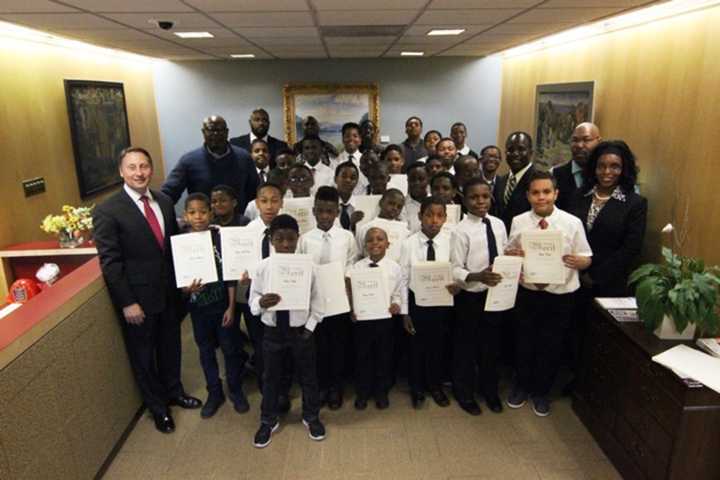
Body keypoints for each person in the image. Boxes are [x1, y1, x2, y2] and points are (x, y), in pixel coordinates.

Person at [93, 147, 201, 434]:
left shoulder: (164, 201)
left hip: (170, 294)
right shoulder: (107, 210)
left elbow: (174, 249)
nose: (139, 173)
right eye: (132, 167)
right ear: (121, 172)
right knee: (143, 356)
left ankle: (175, 391)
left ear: (151, 169)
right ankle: (158, 408)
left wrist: (187, 281)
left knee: (172, 346)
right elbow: (111, 262)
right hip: (138, 300)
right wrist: (127, 302)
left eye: (144, 166)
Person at [505, 171, 592, 417]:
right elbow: (510, 251)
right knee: (524, 341)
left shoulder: (571, 223)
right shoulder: (519, 221)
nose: (541, 197)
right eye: (535, 192)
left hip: (560, 295)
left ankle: (541, 391)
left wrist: (580, 261)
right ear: (528, 195)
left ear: (556, 194)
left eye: (546, 192)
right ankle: (521, 385)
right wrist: (514, 258)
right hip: (529, 294)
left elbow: (587, 256)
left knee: (551, 345)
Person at [250, 214, 325, 448]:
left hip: (301, 332)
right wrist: (262, 303)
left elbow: (319, 303)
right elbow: (253, 302)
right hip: (273, 333)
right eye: (279, 239)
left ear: (298, 239)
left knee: (309, 377)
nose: (285, 245)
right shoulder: (262, 267)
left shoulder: (309, 266)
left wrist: (309, 329)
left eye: (290, 239)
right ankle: (267, 420)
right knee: (270, 378)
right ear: (271, 239)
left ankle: (311, 416)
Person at [180, 193, 249, 418]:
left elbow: (229, 275)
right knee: (206, 350)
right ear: (185, 216)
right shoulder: (181, 242)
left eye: (202, 211)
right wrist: (187, 290)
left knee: (230, 349)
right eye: (192, 212)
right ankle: (214, 391)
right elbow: (179, 280)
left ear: (211, 213)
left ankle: (236, 390)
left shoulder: (219, 238)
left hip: (222, 306)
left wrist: (231, 307)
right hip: (199, 309)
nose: (198, 217)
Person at [450, 178, 507, 415]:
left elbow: (503, 254)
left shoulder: (499, 224)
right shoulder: (460, 231)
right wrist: (477, 276)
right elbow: (454, 268)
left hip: (496, 296)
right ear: (464, 200)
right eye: (474, 197)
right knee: (467, 348)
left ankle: (490, 391)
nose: (480, 201)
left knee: (491, 347)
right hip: (470, 298)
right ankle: (464, 393)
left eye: (485, 196)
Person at [298, 186, 357, 410]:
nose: (325, 216)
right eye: (320, 211)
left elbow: (352, 263)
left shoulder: (346, 237)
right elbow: (301, 267)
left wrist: (344, 279)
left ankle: (336, 387)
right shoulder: (305, 239)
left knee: (338, 346)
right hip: (313, 302)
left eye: (329, 211)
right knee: (317, 346)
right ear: (313, 211)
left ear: (336, 212)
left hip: (338, 300)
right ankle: (321, 386)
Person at [401, 196, 459, 409]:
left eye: (439, 216)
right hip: (417, 304)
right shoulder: (408, 243)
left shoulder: (451, 240)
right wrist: (405, 312)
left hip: (442, 303)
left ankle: (435, 385)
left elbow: (456, 268)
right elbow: (404, 278)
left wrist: (457, 284)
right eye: (429, 215)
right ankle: (416, 388)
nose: (434, 220)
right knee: (417, 347)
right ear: (420, 216)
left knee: (438, 346)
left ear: (445, 218)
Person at [572, 140, 647, 295]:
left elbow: (630, 249)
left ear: (624, 169)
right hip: (573, 280)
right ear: (594, 168)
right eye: (601, 166)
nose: (607, 171)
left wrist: (594, 275)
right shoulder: (579, 195)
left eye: (615, 166)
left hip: (609, 285)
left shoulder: (635, 203)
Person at [349, 227, 407, 410]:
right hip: (363, 321)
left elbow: (398, 291)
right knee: (362, 356)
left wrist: (397, 304)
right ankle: (363, 392)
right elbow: (351, 292)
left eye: (380, 239)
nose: (375, 243)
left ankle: (381, 391)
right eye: (370, 240)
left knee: (384, 356)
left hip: (385, 319)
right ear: (365, 245)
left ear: (387, 244)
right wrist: (352, 309)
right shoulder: (356, 268)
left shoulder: (394, 268)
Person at [163, 115, 259, 214]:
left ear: (227, 132)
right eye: (210, 130)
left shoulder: (244, 158)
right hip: (203, 225)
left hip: (240, 224)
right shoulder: (188, 161)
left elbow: (255, 193)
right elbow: (169, 193)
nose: (215, 134)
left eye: (220, 130)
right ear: (203, 132)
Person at [494, 131, 537, 233]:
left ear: (531, 152)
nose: (515, 154)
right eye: (510, 150)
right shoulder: (500, 181)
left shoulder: (538, 180)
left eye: (521, 149)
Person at [554, 122, 601, 212]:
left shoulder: (607, 176)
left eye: (586, 140)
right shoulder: (555, 175)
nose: (579, 145)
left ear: (599, 142)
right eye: (575, 140)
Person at [355, 189, 408, 262]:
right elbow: (359, 255)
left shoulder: (405, 230)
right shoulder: (365, 228)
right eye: (391, 203)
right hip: (370, 270)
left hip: (396, 272)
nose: (395, 208)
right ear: (381, 203)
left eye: (399, 207)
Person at [334, 161, 365, 233]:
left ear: (357, 182)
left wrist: (354, 226)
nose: (348, 180)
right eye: (344, 176)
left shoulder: (361, 205)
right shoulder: (327, 205)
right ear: (335, 179)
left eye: (352, 178)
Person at [400, 162, 430, 234]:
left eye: (421, 179)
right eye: (412, 179)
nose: (416, 183)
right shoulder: (401, 205)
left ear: (428, 180)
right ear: (407, 180)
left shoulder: (436, 203)